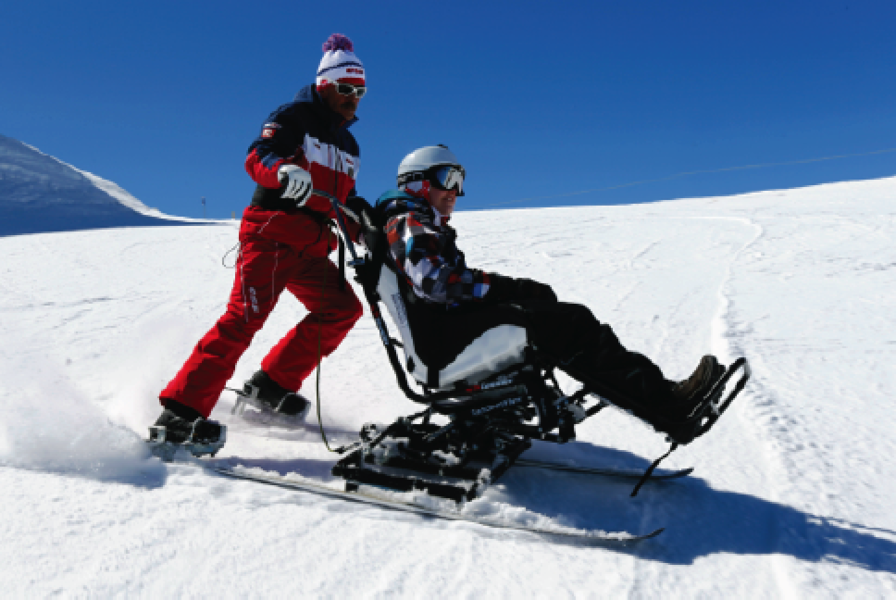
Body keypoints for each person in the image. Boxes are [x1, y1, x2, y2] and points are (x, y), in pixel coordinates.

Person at [375, 145, 725, 444]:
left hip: (446, 333)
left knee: (552, 310)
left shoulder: (416, 222)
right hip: (444, 343)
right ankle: (670, 407)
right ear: (417, 182)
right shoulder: (407, 221)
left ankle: (663, 399)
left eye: (459, 181)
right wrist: (502, 288)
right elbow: (437, 284)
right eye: (445, 178)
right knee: (571, 323)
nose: (454, 191)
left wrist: (512, 290)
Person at [152, 34, 369, 444]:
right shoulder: (294, 117)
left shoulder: (348, 144)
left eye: (360, 90)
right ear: (325, 84)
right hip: (271, 238)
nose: (352, 97)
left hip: (310, 246)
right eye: (345, 88)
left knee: (341, 308)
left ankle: (270, 387)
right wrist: (284, 171)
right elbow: (260, 156)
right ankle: (180, 413)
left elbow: (346, 199)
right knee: (243, 321)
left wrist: (364, 227)